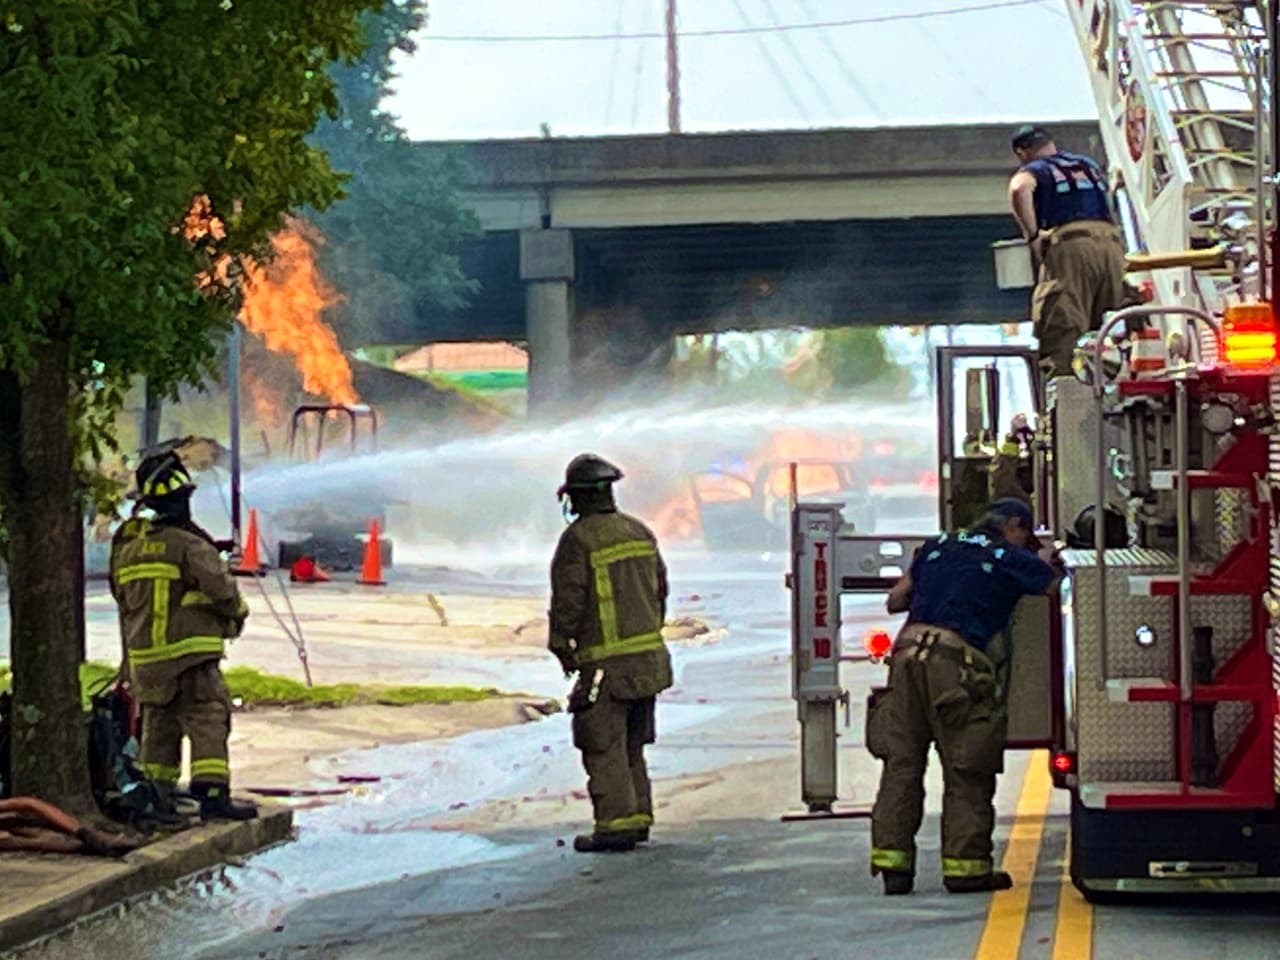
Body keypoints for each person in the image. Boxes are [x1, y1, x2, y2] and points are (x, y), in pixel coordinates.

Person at [867, 498, 1061, 895]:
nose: (1026, 540)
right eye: (1025, 532)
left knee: (902, 764)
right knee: (967, 766)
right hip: (956, 665)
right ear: (1012, 525)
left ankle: (894, 868)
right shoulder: (1009, 555)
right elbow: (1054, 584)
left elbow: (896, 600)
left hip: (906, 657)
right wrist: (1040, 557)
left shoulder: (938, 543)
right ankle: (966, 869)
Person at [109, 450, 256, 821]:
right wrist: (236, 614)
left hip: (146, 662)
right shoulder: (189, 545)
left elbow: (123, 597)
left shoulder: (128, 547)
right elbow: (222, 591)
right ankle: (211, 795)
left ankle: (157, 794)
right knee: (208, 715)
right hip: (190, 658)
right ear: (182, 498)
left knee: (160, 726)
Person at [547, 453, 672, 853]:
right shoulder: (640, 532)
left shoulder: (578, 540)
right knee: (632, 743)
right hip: (648, 662)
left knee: (603, 744)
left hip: (605, 666)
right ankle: (638, 817)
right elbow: (661, 591)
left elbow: (569, 599)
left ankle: (615, 825)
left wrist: (562, 644)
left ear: (577, 497)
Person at [1008, 124, 1130, 378]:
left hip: (1072, 245)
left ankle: (1067, 400)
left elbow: (1020, 188)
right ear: (1051, 142)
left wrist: (1032, 236)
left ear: (1022, 152)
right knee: (1114, 324)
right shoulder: (1087, 164)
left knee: (1063, 325)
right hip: (1112, 245)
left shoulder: (1035, 169)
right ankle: (1118, 381)